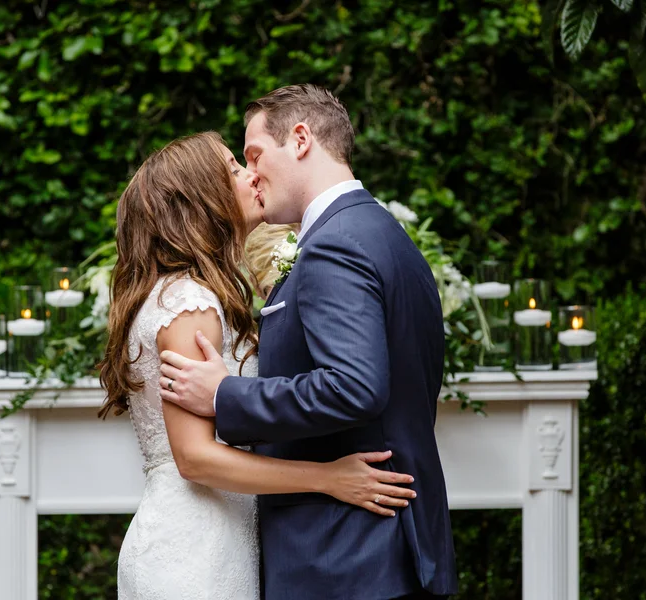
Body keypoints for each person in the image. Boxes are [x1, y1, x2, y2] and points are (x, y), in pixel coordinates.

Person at [159, 85, 458, 599]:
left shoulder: (335, 244)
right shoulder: (383, 233)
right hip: (384, 550)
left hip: (345, 556)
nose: (250, 175)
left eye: (254, 155)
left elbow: (353, 386)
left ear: (300, 139)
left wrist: (223, 395)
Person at [98, 131, 417, 600]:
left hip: (214, 539)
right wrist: (328, 477)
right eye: (233, 170)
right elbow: (195, 457)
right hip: (194, 554)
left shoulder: (183, 294)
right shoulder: (188, 302)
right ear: (201, 199)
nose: (251, 176)